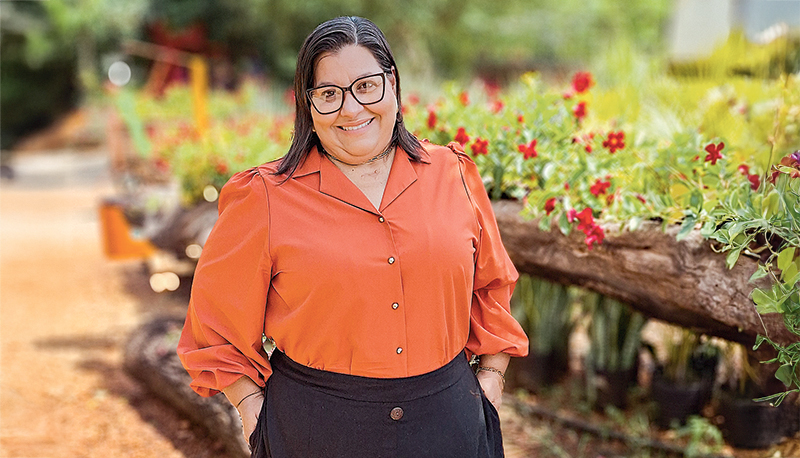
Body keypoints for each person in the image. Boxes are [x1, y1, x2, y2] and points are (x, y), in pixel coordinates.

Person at [177, 16, 529, 458]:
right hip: (318, 430)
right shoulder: (263, 197)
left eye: (366, 86)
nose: (351, 109)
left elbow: (491, 285)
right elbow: (214, 325)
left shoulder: (452, 174)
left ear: (393, 86)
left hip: (450, 423)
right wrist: (253, 411)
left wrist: (492, 378)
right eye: (329, 94)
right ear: (308, 106)